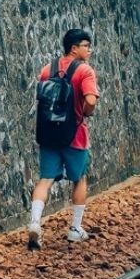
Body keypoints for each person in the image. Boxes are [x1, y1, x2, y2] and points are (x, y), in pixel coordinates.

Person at [29, 28, 100, 248]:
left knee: (45, 179)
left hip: (48, 133)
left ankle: (34, 223)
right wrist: (85, 113)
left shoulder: (46, 70)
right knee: (79, 178)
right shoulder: (84, 71)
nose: (89, 50)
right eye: (86, 45)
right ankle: (75, 228)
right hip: (74, 134)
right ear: (74, 48)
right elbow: (91, 101)